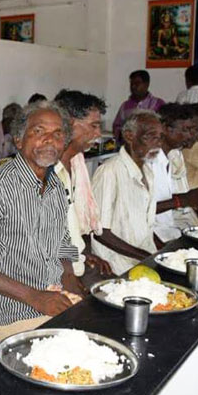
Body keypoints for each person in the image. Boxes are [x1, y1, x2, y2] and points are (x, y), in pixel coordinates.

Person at [0, 101, 83, 342]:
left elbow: (62, 244)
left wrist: (69, 279)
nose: (49, 140)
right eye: (39, 131)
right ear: (18, 140)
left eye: (58, 134)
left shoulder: (55, 186)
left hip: (52, 294)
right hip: (8, 308)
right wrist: (35, 297)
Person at [52, 90, 113, 286]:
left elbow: (69, 227)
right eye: (94, 126)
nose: (98, 134)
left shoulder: (76, 163)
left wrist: (83, 254)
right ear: (69, 124)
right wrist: (70, 277)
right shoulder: (47, 170)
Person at [92, 110, 161, 276]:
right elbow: (101, 233)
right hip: (117, 263)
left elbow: (146, 225)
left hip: (143, 257)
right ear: (129, 136)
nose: (157, 144)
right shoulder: (109, 171)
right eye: (150, 137)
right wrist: (145, 257)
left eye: (160, 137)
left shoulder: (148, 172)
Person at [148, 104, 198, 243]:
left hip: (170, 231)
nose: (191, 135)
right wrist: (183, 200)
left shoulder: (169, 157)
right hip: (155, 237)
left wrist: (193, 198)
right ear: (165, 129)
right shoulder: (149, 162)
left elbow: (164, 199)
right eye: (185, 130)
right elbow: (140, 210)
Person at [112, 70, 165, 142]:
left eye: (137, 83)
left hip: (152, 144)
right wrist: (123, 136)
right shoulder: (125, 106)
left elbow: (165, 127)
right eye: (131, 84)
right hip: (129, 144)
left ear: (147, 84)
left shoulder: (158, 104)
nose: (133, 86)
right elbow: (116, 126)